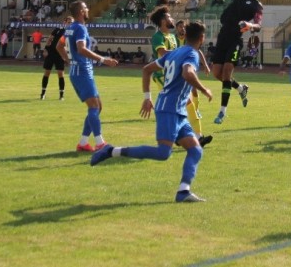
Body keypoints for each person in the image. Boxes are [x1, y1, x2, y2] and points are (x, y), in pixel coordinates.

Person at [90, 21, 212, 203]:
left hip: (177, 111)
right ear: (202, 38)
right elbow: (187, 73)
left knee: (195, 150)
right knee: (164, 153)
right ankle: (111, 151)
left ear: (184, 36)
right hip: (169, 109)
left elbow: (147, 69)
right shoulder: (192, 54)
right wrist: (203, 89)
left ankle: (183, 191)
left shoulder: (174, 53)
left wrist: (148, 97)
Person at [212, 0, 269, 125]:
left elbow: (259, 24)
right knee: (217, 74)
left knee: (226, 73)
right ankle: (240, 88)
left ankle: (222, 112)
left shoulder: (257, 6)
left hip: (236, 39)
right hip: (223, 35)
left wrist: (250, 25)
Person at [58, 2, 118, 152]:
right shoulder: (79, 27)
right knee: (94, 107)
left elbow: (59, 46)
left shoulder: (70, 28)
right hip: (82, 72)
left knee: (98, 107)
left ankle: (84, 142)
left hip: (78, 71)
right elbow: (81, 49)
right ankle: (100, 143)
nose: (88, 9)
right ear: (80, 11)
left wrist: (69, 60)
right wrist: (104, 60)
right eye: (86, 8)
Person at [175, 20, 213, 147]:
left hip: (179, 80)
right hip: (177, 81)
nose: (181, 29)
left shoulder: (189, 47)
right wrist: (204, 89)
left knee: (189, 108)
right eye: (180, 27)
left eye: (183, 27)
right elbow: (187, 72)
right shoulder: (174, 41)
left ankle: (193, 136)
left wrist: (205, 65)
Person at [40, 17, 73, 101]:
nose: (70, 24)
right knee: (47, 73)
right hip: (51, 53)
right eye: (69, 22)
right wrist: (46, 49)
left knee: (60, 74)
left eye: (71, 23)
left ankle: (61, 96)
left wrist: (67, 56)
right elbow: (50, 39)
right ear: (64, 22)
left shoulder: (71, 33)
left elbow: (70, 46)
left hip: (60, 55)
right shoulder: (57, 30)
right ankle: (43, 94)